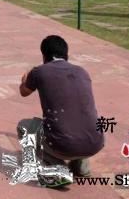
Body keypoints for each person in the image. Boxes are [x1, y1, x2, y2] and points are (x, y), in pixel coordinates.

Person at [18, 35, 104, 178]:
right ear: (66, 55)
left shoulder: (39, 72)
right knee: (78, 118)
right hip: (95, 142)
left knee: (23, 126)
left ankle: (57, 169)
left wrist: (26, 77)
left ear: (44, 56)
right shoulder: (82, 72)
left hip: (64, 144)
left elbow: (23, 92)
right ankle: (81, 166)